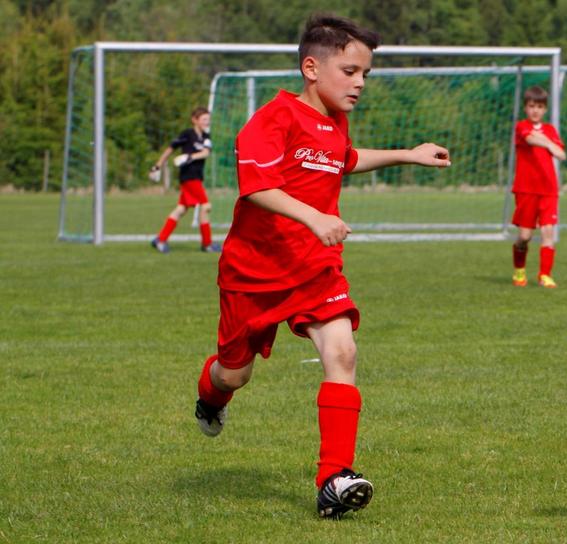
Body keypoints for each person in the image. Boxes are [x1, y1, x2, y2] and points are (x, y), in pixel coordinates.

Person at [191, 14, 450, 519]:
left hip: (314, 267)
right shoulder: (275, 117)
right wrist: (314, 216)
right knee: (233, 374)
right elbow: (257, 188)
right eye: (350, 71)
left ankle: (334, 478)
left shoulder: (335, 123)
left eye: (365, 75)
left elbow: (343, 159)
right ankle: (210, 396)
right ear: (312, 67)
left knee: (343, 351)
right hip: (253, 272)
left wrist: (408, 154)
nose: (359, 84)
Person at [510, 86, 567, 288]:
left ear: (545, 109)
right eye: (532, 106)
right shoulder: (521, 126)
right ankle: (519, 269)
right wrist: (548, 144)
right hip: (526, 189)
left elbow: (562, 154)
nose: (535, 110)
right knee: (525, 236)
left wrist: (552, 145)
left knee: (548, 233)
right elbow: (530, 138)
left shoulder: (550, 130)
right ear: (526, 107)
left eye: (540, 107)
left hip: (549, 189)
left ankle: (545, 274)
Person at [149, 107, 220, 253]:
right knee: (206, 206)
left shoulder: (206, 137)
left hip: (197, 177)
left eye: (208, 119)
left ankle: (160, 239)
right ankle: (207, 244)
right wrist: (157, 166)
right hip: (189, 177)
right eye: (204, 119)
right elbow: (170, 149)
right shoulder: (187, 134)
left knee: (181, 209)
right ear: (195, 120)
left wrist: (189, 157)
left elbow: (205, 153)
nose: (207, 122)